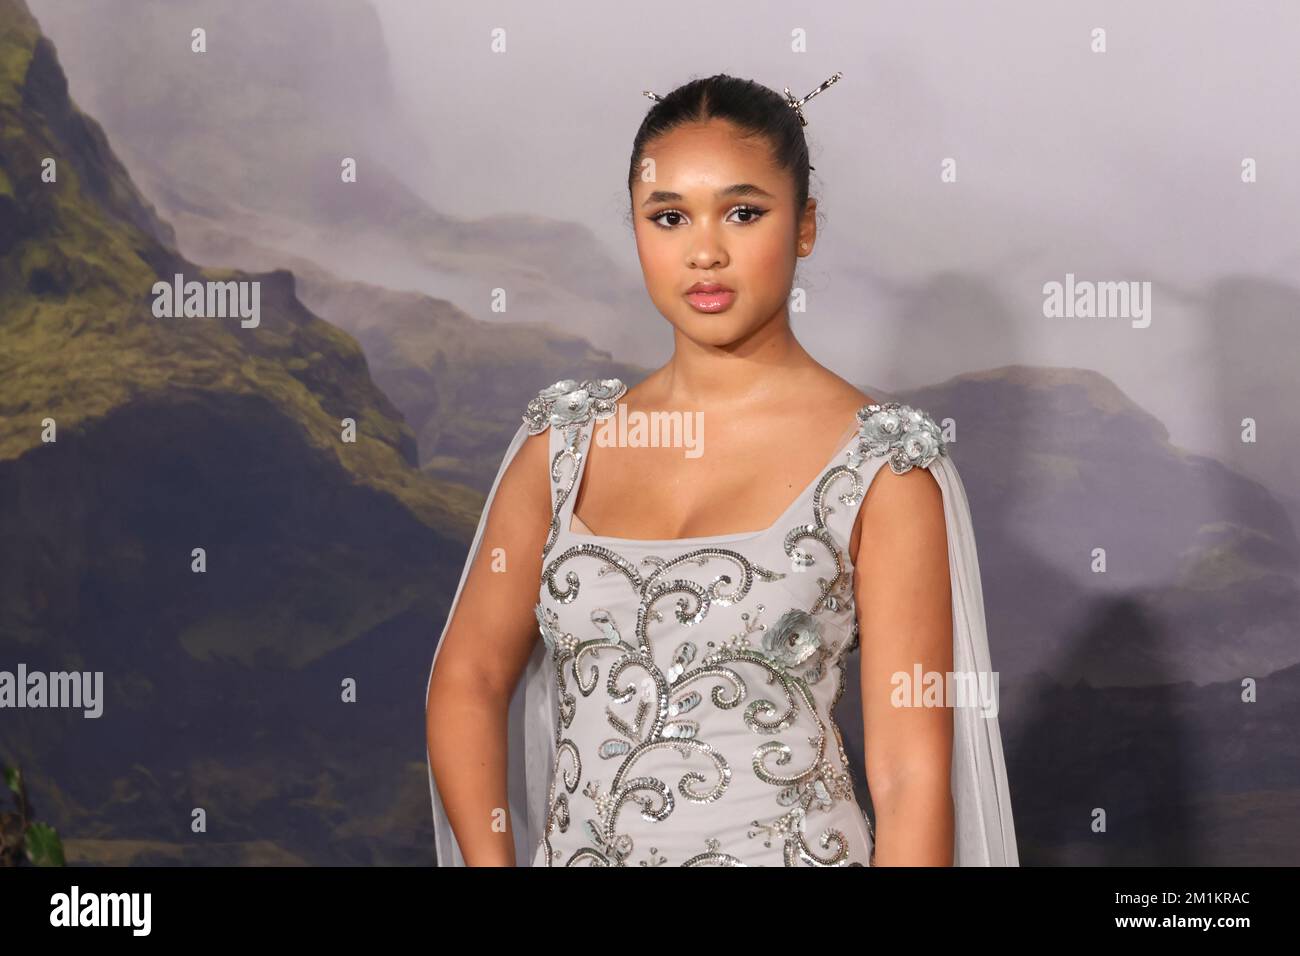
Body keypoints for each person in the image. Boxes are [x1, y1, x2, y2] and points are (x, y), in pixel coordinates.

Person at [425, 72, 1018, 867]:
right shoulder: (561, 449)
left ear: (805, 226)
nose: (705, 251)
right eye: (669, 217)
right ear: (636, 229)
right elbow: (465, 679)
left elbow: (911, 776)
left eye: (744, 212)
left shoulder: (882, 467)